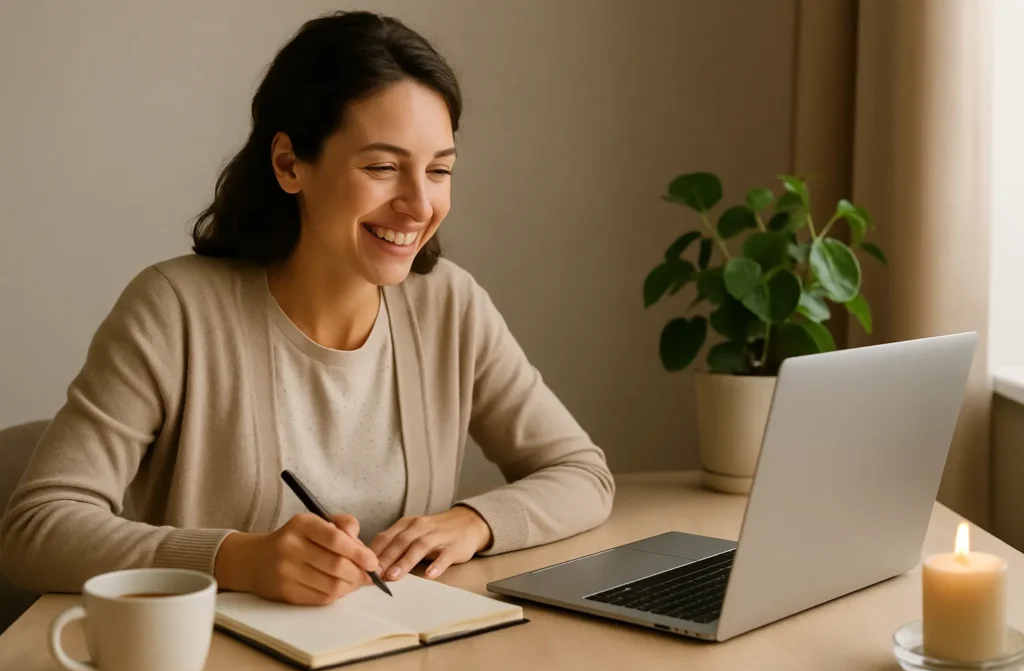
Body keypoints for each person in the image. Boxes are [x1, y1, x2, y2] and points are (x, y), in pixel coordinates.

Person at [0, 11, 614, 606]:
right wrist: (238, 560)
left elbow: (582, 475)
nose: (419, 204)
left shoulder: (450, 305)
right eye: (382, 167)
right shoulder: (174, 310)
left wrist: (473, 521)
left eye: (439, 170)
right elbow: (36, 531)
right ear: (289, 164)